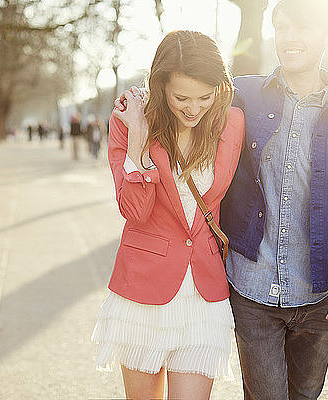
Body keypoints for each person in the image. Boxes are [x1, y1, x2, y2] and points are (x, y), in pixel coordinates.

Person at [113, 1, 328, 398]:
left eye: (303, 29)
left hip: (313, 292)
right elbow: (137, 205)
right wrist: (138, 127)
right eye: (282, 28)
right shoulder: (244, 96)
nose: (290, 38)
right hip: (245, 287)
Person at [91, 30, 245, 400]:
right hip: (143, 289)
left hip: (204, 294)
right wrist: (140, 141)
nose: (193, 108)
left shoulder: (232, 122)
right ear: (161, 87)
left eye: (204, 97)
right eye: (181, 98)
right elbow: (134, 210)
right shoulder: (129, 120)